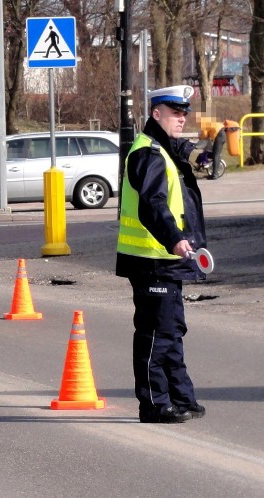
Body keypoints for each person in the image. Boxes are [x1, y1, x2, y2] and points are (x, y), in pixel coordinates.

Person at [116, 84, 209, 424]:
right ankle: (154, 404)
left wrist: (199, 155)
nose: (182, 119)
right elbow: (152, 205)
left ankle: (181, 397)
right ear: (157, 114)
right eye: (175, 113)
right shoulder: (147, 153)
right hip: (152, 258)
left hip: (166, 258)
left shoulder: (162, 148)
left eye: (184, 113)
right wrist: (175, 240)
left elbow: (179, 147)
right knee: (156, 334)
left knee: (172, 328)